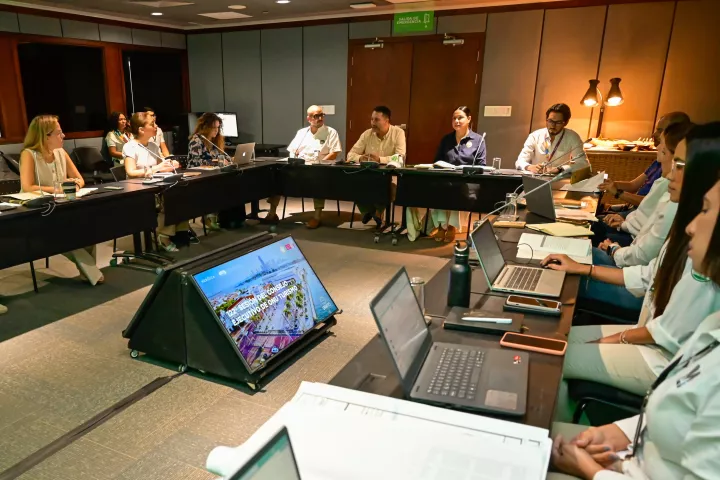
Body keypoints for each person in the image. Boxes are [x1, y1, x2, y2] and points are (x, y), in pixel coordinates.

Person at [542, 122, 720, 423]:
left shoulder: (705, 250)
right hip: (651, 338)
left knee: (553, 356)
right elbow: (647, 275)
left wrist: (612, 341)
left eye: (678, 164)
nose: (667, 173)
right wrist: (582, 268)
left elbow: (664, 333)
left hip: (660, 358)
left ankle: (560, 435)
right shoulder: (688, 227)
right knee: (556, 338)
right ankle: (566, 428)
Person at [548, 177, 720, 480]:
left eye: (706, 211)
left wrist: (591, 470)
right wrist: (617, 435)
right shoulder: (711, 327)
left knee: (556, 358)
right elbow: (672, 416)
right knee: (554, 344)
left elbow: (662, 335)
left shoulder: (702, 285)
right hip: (628, 459)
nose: (692, 226)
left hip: (653, 360)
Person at [19, 115, 104, 285]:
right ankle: (91, 272)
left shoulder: (61, 152)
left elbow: (79, 179)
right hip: (38, 211)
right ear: (45, 136)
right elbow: (28, 186)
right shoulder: (28, 155)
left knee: (88, 226)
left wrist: (75, 185)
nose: (63, 136)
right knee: (64, 234)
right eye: (59, 133)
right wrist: (59, 189)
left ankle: (88, 271)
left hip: (63, 206)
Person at [594, 122, 692, 268]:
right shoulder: (662, 175)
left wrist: (614, 250)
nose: (657, 143)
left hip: (631, 255)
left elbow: (643, 257)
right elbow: (634, 187)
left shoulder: (673, 195)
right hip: (632, 247)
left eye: (678, 164)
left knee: (591, 235)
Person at [407, 106, 486, 242]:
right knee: (438, 187)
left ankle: (451, 226)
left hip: (466, 181)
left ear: (469, 119)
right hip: (446, 179)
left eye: (460, 117)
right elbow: (437, 161)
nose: (456, 121)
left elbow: (482, 165)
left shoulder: (478, 140)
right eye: (454, 118)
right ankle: (441, 226)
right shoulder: (446, 139)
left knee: (456, 188)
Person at [598, 112, 691, 210]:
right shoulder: (658, 162)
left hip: (637, 212)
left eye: (660, 130)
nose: (654, 134)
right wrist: (611, 185)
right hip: (633, 210)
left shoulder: (671, 173)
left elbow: (651, 204)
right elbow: (633, 185)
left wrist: (618, 193)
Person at [123, 112, 186, 252]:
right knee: (170, 199)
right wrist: (155, 168)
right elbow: (131, 172)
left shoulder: (152, 146)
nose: (156, 126)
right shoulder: (130, 147)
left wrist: (171, 164)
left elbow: (162, 165)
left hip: (156, 187)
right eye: (152, 124)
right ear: (141, 129)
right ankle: (163, 235)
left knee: (181, 194)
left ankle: (179, 233)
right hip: (138, 191)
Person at [347, 106, 406, 228]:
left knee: (387, 187)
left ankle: (377, 212)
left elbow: (400, 157)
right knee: (352, 182)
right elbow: (350, 155)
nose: (372, 123)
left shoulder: (398, 133)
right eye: (372, 119)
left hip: (389, 176)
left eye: (376, 120)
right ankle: (369, 212)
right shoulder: (367, 134)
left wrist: (380, 160)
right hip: (368, 174)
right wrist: (361, 158)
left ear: (387, 120)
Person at [286, 105, 342, 229]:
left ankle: (317, 217)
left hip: (320, 169)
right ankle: (272, 212)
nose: (320, 118)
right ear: (309, 119)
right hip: (301, 168)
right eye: (316, 116)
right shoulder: (302, 133)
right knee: (277, 175)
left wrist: (320, 163)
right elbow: (292, 150)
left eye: (322, 115)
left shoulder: (330, 132)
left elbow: (335, 152)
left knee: (318, 177)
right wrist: (294, 160)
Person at [187, 112, 234, 231]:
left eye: (218, 127)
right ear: (205, 127)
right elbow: (196, 161)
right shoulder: (196, 140)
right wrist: (216, 161)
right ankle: (209, 217)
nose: (216, 131)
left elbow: (222, 156)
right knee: (218, 186)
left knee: (230, 184)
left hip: (213, 175)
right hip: (197, 177)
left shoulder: (214, 141)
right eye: (213, 128)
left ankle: (225, 218)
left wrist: (230, 159)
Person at [516, 103, 588, 174]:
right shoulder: (535, 135)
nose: (553, 125)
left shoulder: (572, 137)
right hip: (535, 176)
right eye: (550, 121)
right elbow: (520, 161)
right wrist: (529, 167)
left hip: (558, 178)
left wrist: (560, 169)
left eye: (558, 122)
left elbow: (583, 164)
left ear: (565, 123)